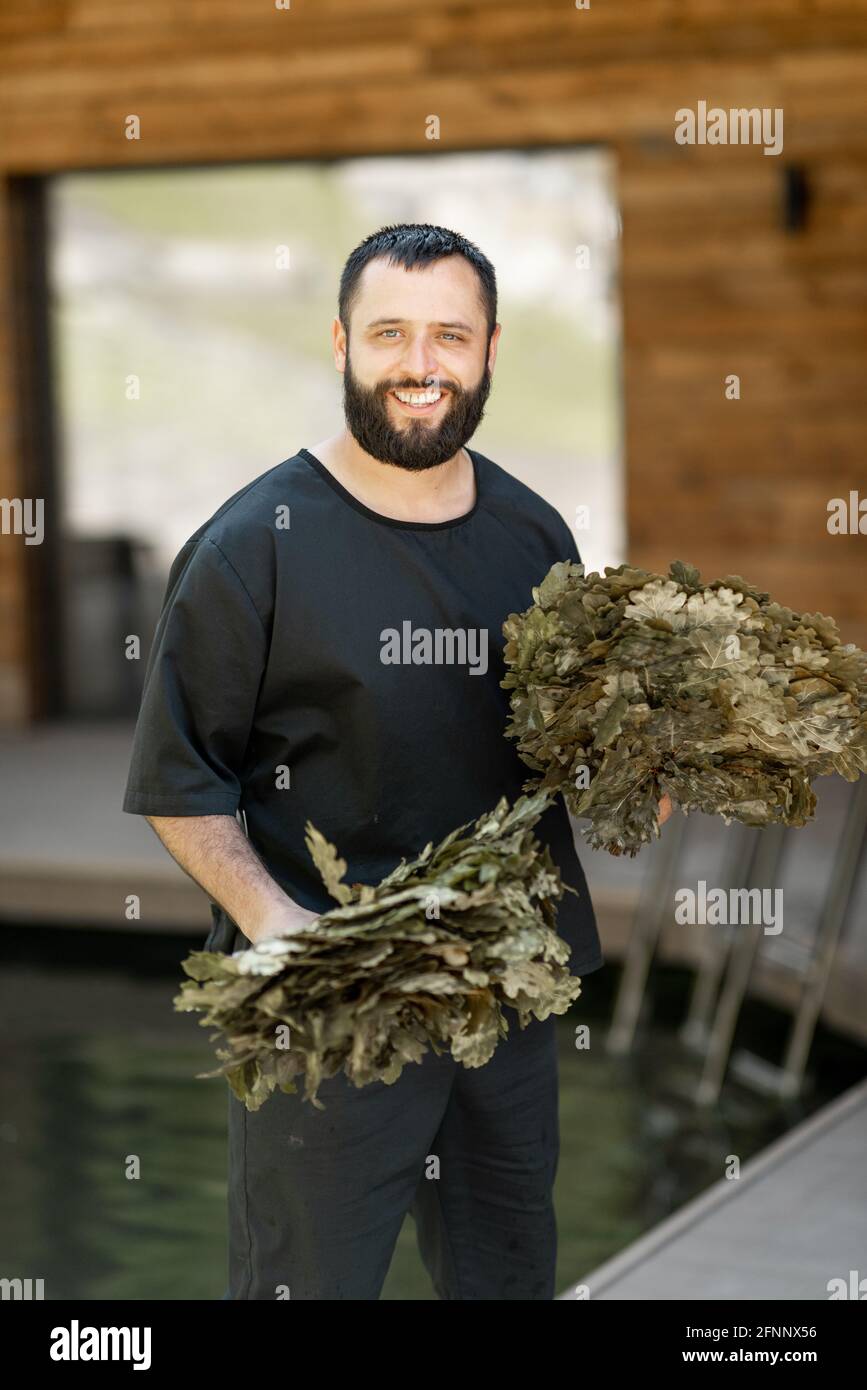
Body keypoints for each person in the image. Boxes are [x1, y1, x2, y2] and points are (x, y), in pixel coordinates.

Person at [123, 222, 670, 1300]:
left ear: (490, 350)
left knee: (508, 1278)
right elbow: (182, 781)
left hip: (501, 998)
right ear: (341, 343)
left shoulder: (534, 534)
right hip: (333, 1001)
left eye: (449, 336)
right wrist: (283, 925)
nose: (420, 365)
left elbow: (558, 751)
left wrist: (631, 778)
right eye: (390, 334)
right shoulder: (254, 545)